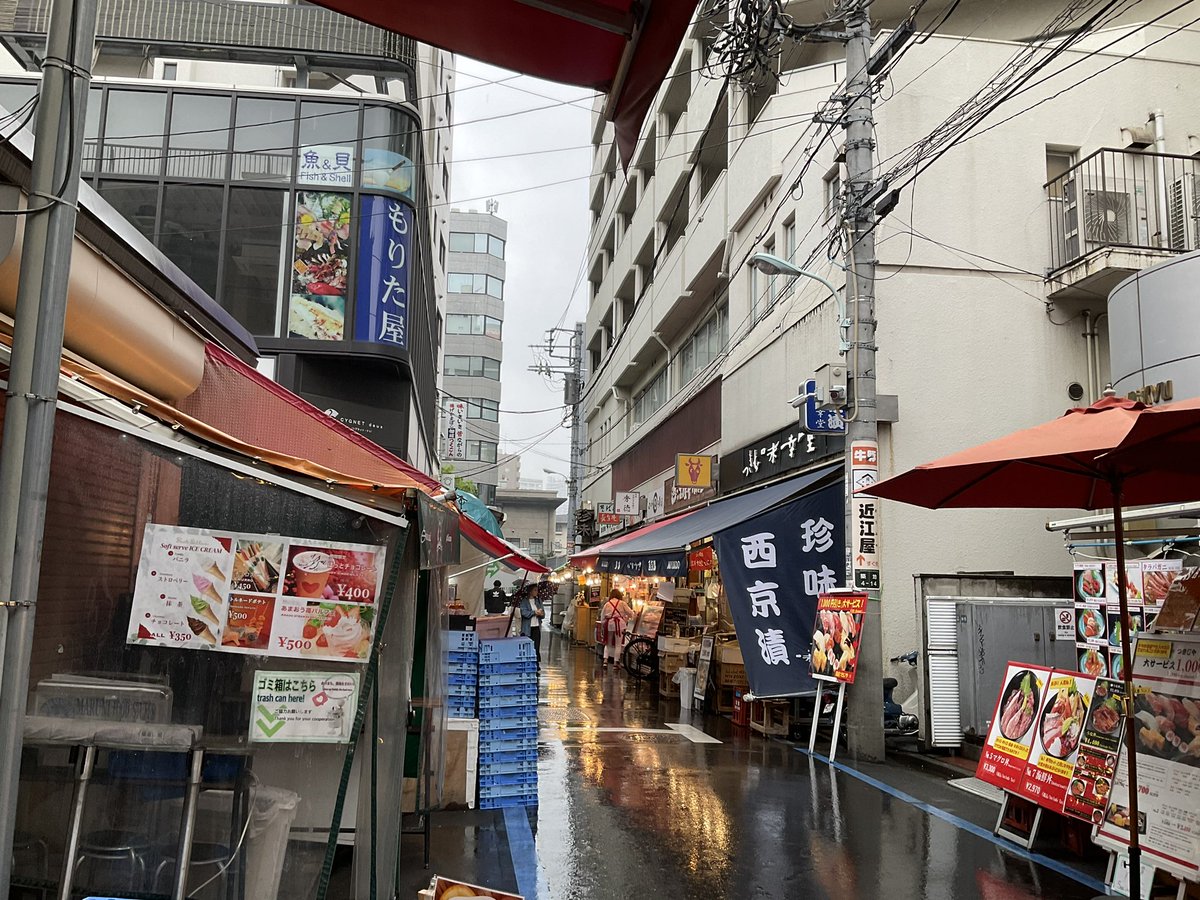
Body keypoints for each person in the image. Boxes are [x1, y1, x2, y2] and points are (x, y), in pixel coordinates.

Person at [600, 588, 633, 671]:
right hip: (620, 625)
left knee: (608, 643)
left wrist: (604, 625)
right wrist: (626, 618)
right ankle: (615, 663)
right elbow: (631, 613)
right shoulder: (622, 603)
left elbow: (602, 616)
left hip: (610, 624)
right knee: (618, 644)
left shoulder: (607, 604)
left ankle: (605, 661)